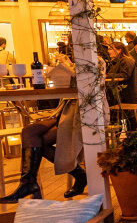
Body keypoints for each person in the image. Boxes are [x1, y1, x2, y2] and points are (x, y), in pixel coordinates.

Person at [0, 50, 109, 203]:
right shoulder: (75, 63)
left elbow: (93, 84)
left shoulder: (97, 60)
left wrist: (67, 67)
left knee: (35, 139)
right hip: (65, 109)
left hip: (83, 114)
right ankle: (28, 184)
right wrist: (61, 68)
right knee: (29, 131)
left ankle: (76, 176)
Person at [106, 41, 137, 130]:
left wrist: (107, 76)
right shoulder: (118, 61)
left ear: (119, 50)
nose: (108, 51)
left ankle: (122, 134)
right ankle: (119, 134)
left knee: (112, 109)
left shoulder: (126, 60)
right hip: (123, 94)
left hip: (126, 95)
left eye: (110, 49)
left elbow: (125, 75)